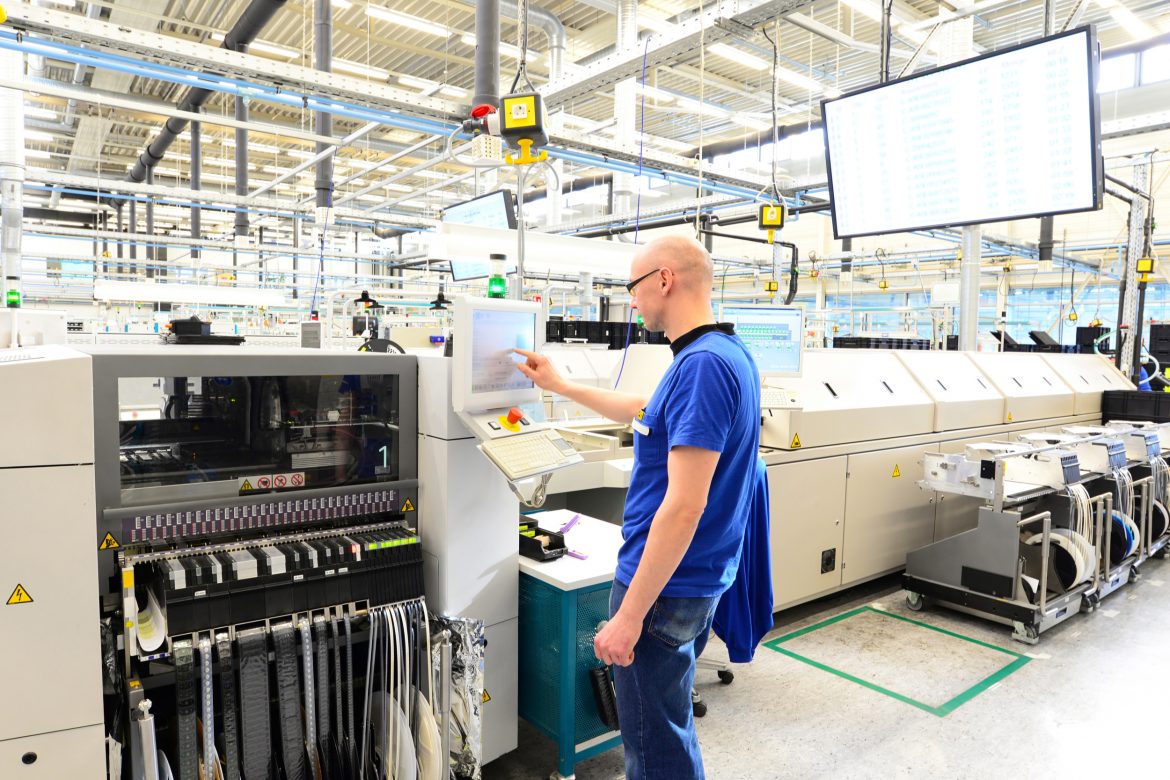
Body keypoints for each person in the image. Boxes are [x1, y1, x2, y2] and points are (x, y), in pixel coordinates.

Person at [514, 235, 761, 779]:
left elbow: (684, 507)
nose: (630, 300)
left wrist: (628, 618)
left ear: (664, 280)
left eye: (633, 286)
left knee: (651, 747)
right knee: (669, 727)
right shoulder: (719, 353)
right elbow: (642, 409)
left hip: (664, 590)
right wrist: (560, 386)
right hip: (692, 580)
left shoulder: (702, 366)